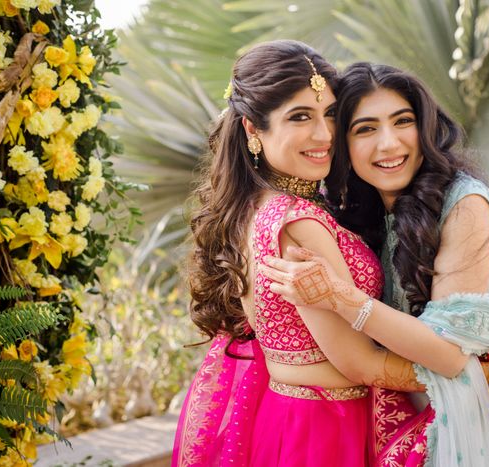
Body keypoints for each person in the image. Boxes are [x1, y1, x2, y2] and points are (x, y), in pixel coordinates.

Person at [172, 41, 436, 467]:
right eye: (300, 117)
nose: (325, 134)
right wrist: (467, 375)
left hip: (292, 417)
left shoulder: (253, 205)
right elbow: (359, 363)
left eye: (330, 113)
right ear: (252, 130)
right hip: (329, 430)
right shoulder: (297, 222)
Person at [260, 62, 489, 466]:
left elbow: (446, 352)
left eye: (402, 121)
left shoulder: (465, 205)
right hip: (397, 430)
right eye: (365, 129)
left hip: (468, 428)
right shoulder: (354, 207)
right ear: (342, 144)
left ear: (424, 128)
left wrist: (341, 298)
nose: (388, 144)